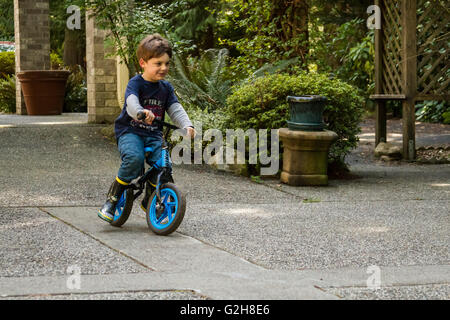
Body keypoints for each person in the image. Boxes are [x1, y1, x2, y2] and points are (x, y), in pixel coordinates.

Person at [98, 33, 195, 223]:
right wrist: (141, 112)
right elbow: (131, 103)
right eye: (158, 64)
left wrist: (187, 124)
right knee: (135, 159)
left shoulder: (165, 88)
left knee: (164, 167)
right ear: (143, 63)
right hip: (131, 131)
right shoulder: (136, 83)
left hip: (153, 134)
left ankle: (151, 198)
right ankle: (112, 199)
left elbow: (175, 108)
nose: (164, 68)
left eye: (166, 64)